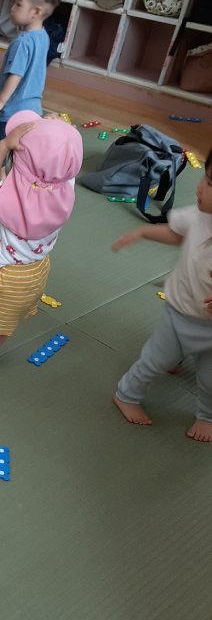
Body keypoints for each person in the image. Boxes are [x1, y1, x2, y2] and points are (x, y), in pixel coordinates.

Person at [0, 111, 82, 384]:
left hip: (1, 274)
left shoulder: (9, 197)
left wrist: (3, 145)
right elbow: (60, 160)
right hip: (36, 273)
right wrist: (60, 130)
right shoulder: (65, 190)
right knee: (6, 319)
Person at [111, 144, 212, 443]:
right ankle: (126, 394)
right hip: (180, 313)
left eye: (210, 185)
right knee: (155, 361)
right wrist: (143, 232)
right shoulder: (198, 216)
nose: (199, 187)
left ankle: (207, 415)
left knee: (210, 380)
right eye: (206, 178)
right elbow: (176, 233)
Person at [0, 0, 60, 154]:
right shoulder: (43, 35)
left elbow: (16, 75)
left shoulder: (22, 42)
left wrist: (1, 100)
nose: (12, 7)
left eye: (18, 4)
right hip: (33, 109)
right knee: (20, 151)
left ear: (36, 12)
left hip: (11, 111)